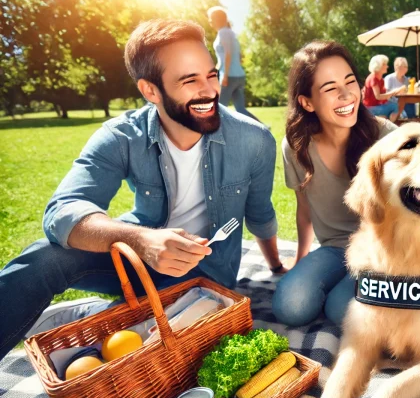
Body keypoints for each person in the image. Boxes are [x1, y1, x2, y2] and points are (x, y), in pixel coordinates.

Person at [0, 19, 287, 359]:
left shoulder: (254, 140)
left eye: (211, 75)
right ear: (150, 90)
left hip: (204, 274)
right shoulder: (122, 136)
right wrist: (142, 240)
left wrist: (276, 268)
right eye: (189, 80)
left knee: (150, 344)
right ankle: (108, 312)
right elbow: (62, 212)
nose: (209, 91)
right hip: (135, 256)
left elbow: (260, 214)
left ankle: (94, 315)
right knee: (44, 258)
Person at [273, 41, 397, 326]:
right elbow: (303, 208)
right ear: (307, 102)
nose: (346, 95)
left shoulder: (385, 136)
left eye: (350, 82)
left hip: (380, 248)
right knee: (290, 306)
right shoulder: (296, 147)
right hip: (334, 248)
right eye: (329, 88)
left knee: (340, 310)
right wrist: (300, 260)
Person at [207, 6, 260, 122]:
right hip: (239, 75)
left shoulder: (223, 33)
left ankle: (212, 135)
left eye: (211, 18)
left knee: (218, 108)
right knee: (240, 109)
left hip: (229, 76)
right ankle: (263, 128)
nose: (209, 21)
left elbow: (228, 54)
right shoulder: (230, 33)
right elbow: (239, 56)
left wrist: (225, 75)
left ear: (217, 19)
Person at [363, 54, 404, 122]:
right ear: (379, 66)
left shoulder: (380, 79)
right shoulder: (373, 78)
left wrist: (394, 93)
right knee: (395, 106)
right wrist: (393, 92)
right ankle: (390, 127)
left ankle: (386, 123)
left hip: (376, 106)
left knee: (393, 106)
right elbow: (378, 96)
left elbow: (384, 97)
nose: (387, 66)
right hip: (370, 108)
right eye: (385, 64)